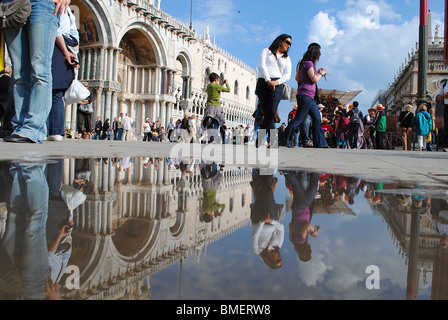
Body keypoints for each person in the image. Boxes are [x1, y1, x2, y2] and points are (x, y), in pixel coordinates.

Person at [3, 0, 72, 143]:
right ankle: (20, 126)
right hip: (12, 4)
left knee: (40, 69)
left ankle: (34, 128)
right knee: (18, 72)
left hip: (42, 3)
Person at [280, 44, 329, 148]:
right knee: (298, 119)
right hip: (306, 96)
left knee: (316, 118)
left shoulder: (303, 64)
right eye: (318, 56)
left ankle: (320, 143)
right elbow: (314, 79)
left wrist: (315, 73)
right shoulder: (309, 63)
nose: (318, 58)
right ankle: (284, 139)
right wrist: (322, 74)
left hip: (307, 96)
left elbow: (297, 78)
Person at [46, 10, 79, 142]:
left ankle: (51, 129)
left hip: (57, 50)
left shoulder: (58, 8)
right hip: (68, 54)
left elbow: (56, 30)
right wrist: (75, 55)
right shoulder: (71, 13)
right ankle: (56, 130)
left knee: (52, 92)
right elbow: (75, 37)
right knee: (57, 93)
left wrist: (65, 51)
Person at [256, 34, 292, 148]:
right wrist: (268, 80)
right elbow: (262, 66)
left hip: (278, 84)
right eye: (287, 42)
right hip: (263, 82)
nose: (288, 45)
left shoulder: (287, 58)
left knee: (271, 111)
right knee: (267, 112)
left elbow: (288, 75)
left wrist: (276, 82)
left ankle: (260, 137)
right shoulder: (266, 51)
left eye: (290, 44)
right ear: (280, 41)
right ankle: (273, 140)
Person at [203, 73, 230, 143]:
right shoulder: (217, 86)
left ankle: (210, 136)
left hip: (209, 107)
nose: (218, 81)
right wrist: (226, 83)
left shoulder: (209, 86)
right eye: (218, 80)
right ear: (215, 79)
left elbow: (216, 87)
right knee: (216, 122)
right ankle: (214, 136)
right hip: (216, 107)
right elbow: (228, 90)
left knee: (208, 122)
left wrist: (221, 84)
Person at [436, 80, 448, 150]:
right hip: (447, 106)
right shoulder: (445, 84)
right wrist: (444, 95)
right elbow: (439, 97)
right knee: (447, 126)